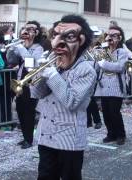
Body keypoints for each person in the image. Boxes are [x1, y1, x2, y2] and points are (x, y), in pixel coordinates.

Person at [30, 14, 96, 180]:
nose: (58, 42)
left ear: (81, 41)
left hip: (69, 138)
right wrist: (39, 75)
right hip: (46, 135)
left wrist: (52, 75)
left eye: (69, 37)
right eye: (56, 35)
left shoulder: (86, 70)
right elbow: (37, 94)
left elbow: (72, 102)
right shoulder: (54, 62)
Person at [7, 21, 44, 149]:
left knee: (28, 112)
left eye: (31, 29)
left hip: (31, 85)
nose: (26, 31)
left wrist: (22, 48)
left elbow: (31, 65)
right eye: (25, 29)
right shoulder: (21, 45)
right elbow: (11, 61)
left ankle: (29, 139)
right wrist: (11, 49)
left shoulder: (38, 48)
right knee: (20, 110)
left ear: (36, 33)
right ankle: (24, 137)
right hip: (20, 83)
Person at [94, 25, 128, 145]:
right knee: (106, 113)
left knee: (115, 113)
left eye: (114, 35)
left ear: (119, 38)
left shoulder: (122, 52)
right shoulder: (104, 50)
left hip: (116, 86)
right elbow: (97, 68)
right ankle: (111, 134)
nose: (110, 37)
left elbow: (120, 67)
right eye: (108, 35)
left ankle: (121, 135)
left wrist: (103, 62)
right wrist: (97, 57)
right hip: (103, 86)